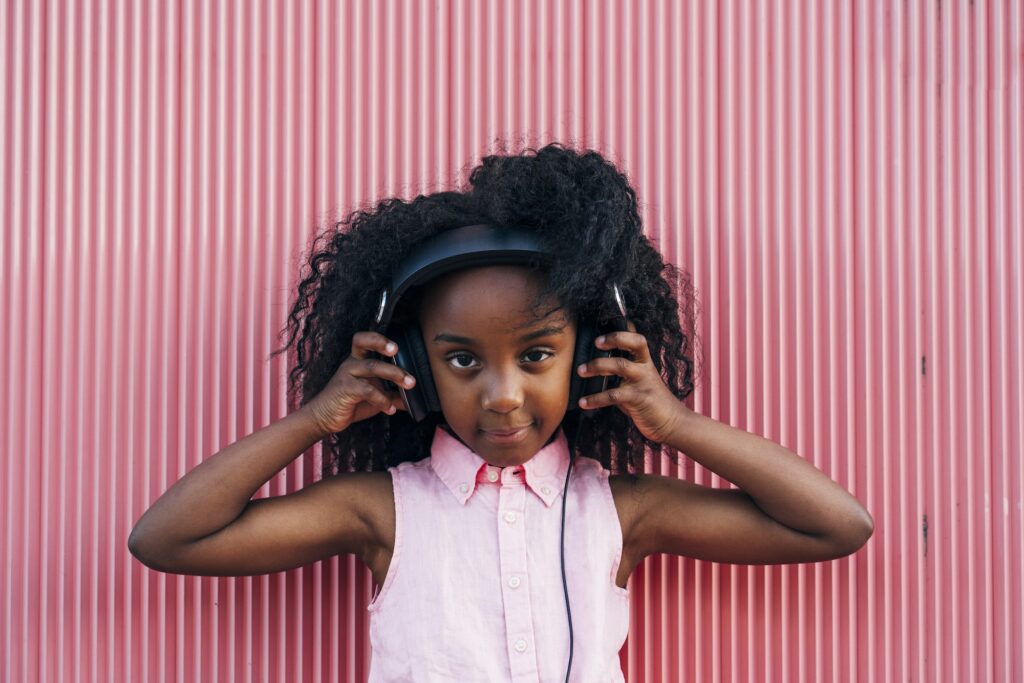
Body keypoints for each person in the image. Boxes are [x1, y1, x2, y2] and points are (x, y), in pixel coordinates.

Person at [128, 142, 873, 682]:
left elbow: (835, 523)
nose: (504, 394)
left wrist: (675, 424)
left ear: (595, 351)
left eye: (537, 356)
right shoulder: (383, 510)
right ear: (411, 365)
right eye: (461, 360)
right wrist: (317, 420)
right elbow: (168, 538)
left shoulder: (618, 510)